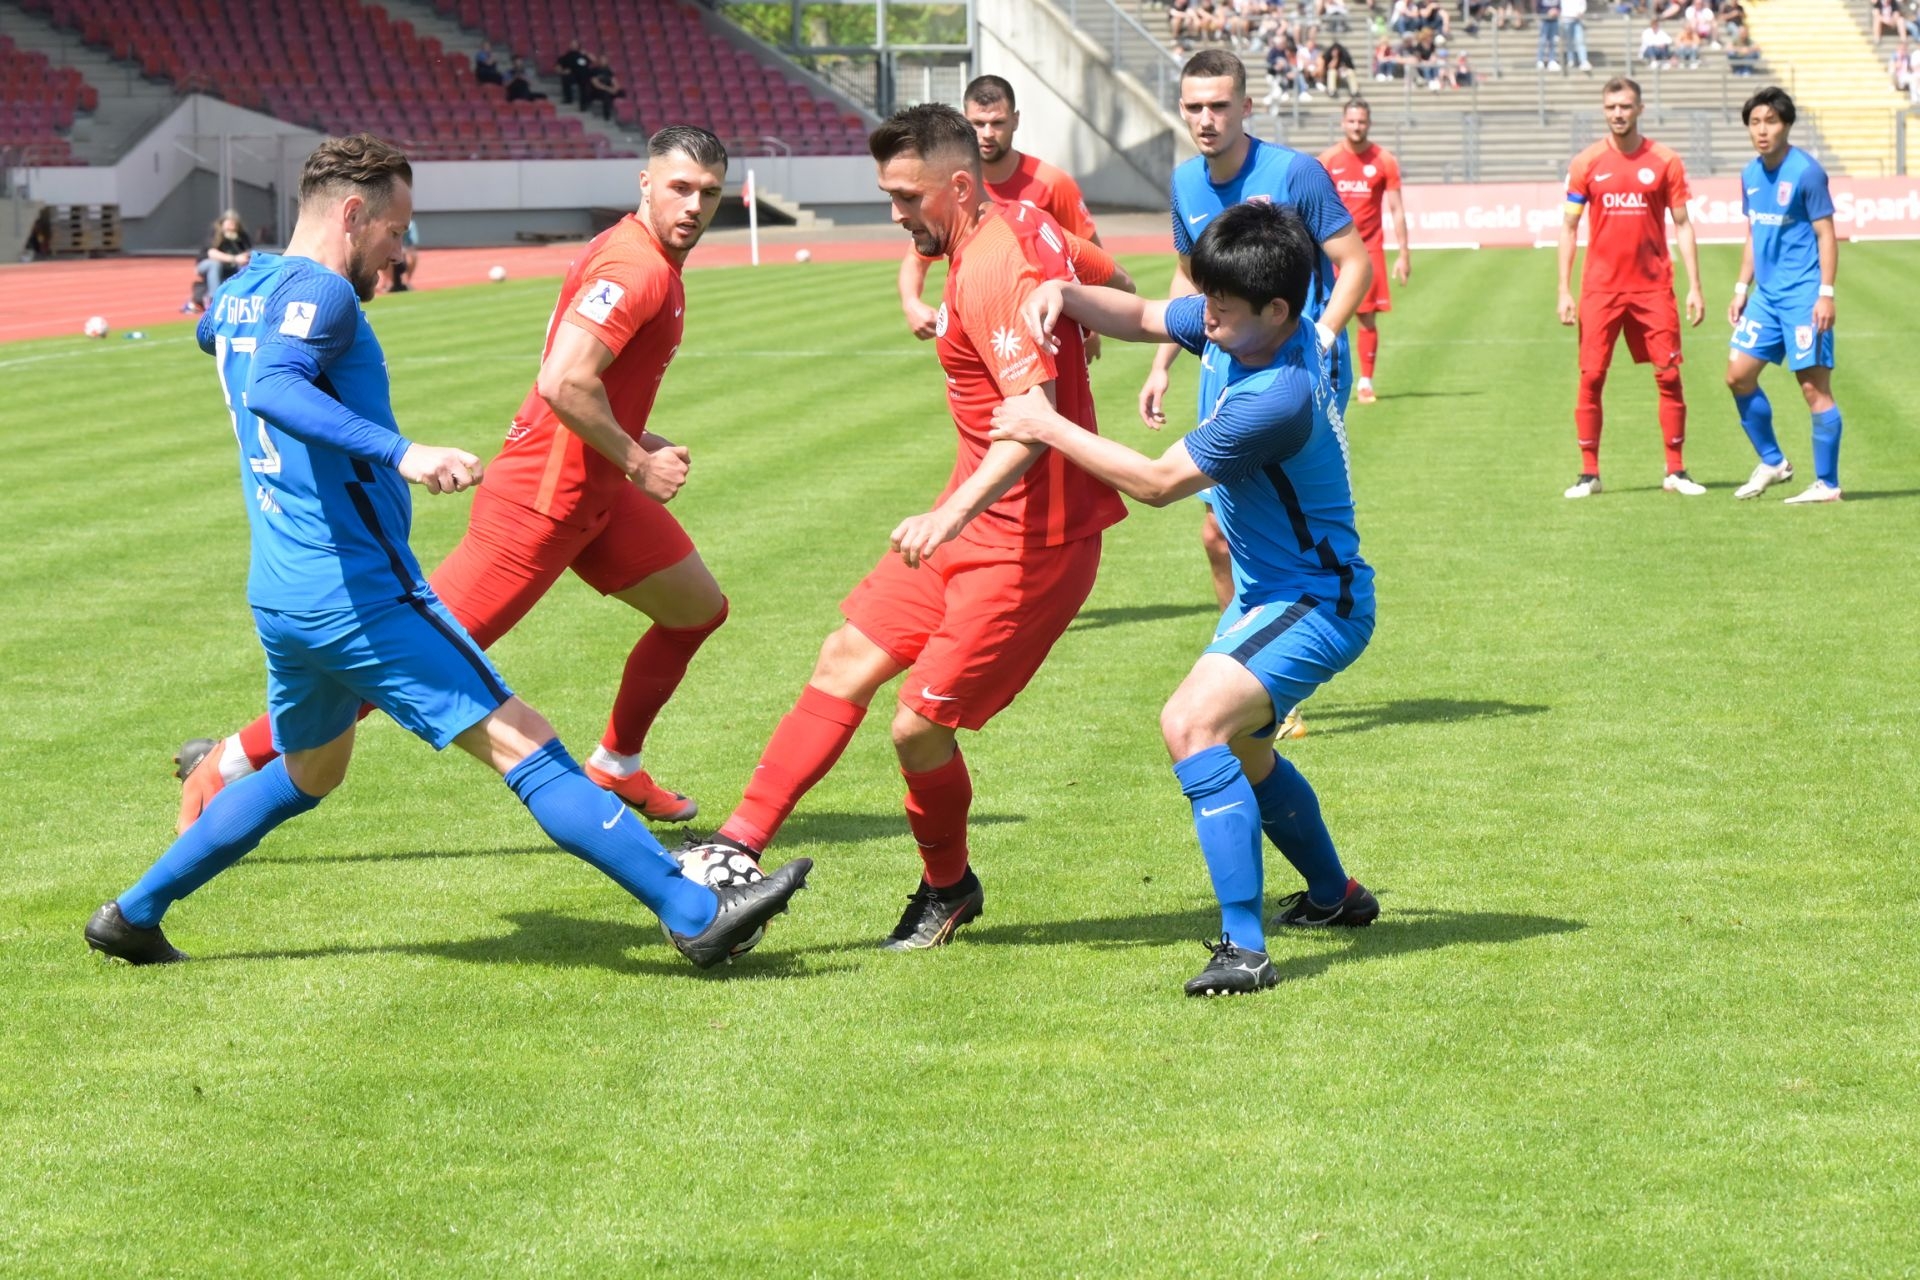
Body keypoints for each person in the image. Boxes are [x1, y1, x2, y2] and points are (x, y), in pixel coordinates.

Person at [87, 133, 809, 970]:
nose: (399, 253)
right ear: (352, 214)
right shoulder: (325, 292)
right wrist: (404, 453)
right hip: (358, 589)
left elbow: (215, 336)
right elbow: (275, 386)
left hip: (282, 589)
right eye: (395, 231)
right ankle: (695, 911)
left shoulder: (248, 288)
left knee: (310, 772)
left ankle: (132, 914)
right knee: (525, 745)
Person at [173, 128, 739, 838]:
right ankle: (230, 760)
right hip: (543, 503)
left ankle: (617, 765)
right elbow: (564, 381)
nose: (694, 205)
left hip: (594, 492)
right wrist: (638, 458)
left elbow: (579, 384)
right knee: (398, 663)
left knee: (696, 611)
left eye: (709, 193)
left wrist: (630, 442)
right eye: (680, 188)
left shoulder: (641, 255)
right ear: (646, 184)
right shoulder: (635, 268)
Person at [678, 103, 1132, 951]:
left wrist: (948, 513)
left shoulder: (993, 266)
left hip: (1033, 544)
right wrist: (1082, 323)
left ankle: (948, 887)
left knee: (917, 728)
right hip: (972, 518)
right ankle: (736, 847)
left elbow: (1032, 422)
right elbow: (1118, 282)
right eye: (887, 194)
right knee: (843, 658)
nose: (894, 213)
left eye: (906, 197)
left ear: (958, 186)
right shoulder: (1021, 223)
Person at [990, 202, 1379, 998]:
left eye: (1220, 308)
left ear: (1278, 311)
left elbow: (1158, 482)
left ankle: (1246, 950)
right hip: (1279, 594)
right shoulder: (1242, 323)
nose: (1204, 318)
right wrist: (1065, 293)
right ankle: (1336, 897)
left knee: (1191, 725)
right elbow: (1140, 315)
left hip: (1316, 601)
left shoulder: (1277, 393)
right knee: (1246, 751)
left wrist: (1046, 423)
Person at [1139, 50, 1371, 615]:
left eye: (1219, 106)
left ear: (1246, 107)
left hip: (1294, 369)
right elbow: (1188, 279)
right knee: (1219, 534)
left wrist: (1323, 335)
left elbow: (1356, 264)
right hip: (1223, 364)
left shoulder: (1297, 174)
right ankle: (1243, 646)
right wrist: (1161, 365)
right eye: (1195, 107)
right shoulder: (1184, 183)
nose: (1206, 119)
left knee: (1273, 528)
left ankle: (1294, 641)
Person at [1557, 77, 1706, 499]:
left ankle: (1675, 470)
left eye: (1625, 106)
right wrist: (1564, 290)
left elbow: (1683, 224)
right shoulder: (1586, 163)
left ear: (1640, 109)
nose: (1618, 113)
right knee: (1591, 377)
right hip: (1601, 290)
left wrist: (1695, 286)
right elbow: (1568, 227)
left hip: (1653, 288)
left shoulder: (1665, 161)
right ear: (1604, 110)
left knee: (1669, 375)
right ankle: (1589, 474)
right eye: (1611, 107)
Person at [897, 76, 1105, 358]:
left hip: (1049, 334)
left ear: (1015, 120)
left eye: (997, 123)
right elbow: (916, 258)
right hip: (976, 333)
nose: (987, 133)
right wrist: (911, 303)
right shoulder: (952, 187)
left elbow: (1094, 260)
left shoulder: (1052, 183)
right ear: (964, 121)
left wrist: (1093, 325)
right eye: (978, 123)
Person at [1726, 87, 1847, 503]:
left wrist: (1825, 294)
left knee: (1813, 388)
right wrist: (1741, 288)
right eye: (1755, 122)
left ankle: (1827, 484)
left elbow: (1826, 234)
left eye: (1771, 122)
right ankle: (1774, 462)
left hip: (1802, 297)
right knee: (1738, 376)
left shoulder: (1806, 172)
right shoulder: (1749, 174)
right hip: (1765, 298)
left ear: (1787, 125)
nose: (1762, 130)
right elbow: (1753, 233)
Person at [1319, 98, 1410, 406]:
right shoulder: (1328, 160)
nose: (1357, 126)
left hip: (1368, 251)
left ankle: (1366, 383)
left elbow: (1397, 210)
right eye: (1352, 121)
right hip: (1332, 251)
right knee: (1326, 317)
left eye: (1362, 121)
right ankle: (1324, 381)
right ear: (1343, 122)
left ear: (1369, 123)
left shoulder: (1384, 160)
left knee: (1367, 318)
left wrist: (1404, 254)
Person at [186, 210, 252, 313]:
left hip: (230, 268)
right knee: (215, 264)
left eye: (234, 224)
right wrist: (235, 259)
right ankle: (214, 299)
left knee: (246, 267)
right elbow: (212, 253)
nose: (231, 227)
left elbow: (247, 252)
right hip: (207, 265)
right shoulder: (216, 233)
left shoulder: (241, 236)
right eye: (229, 223)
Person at [554, 37, 592, 108]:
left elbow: (594, 60)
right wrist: (562, 71)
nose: (573, 46)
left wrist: (586, 54)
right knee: (565, 77)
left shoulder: (583, 54)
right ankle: (568, 98)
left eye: (575, 44)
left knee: (585, 80)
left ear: (578, 45)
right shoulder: (567, 56)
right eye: (572, 44)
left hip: (583, 75)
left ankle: (584, 104)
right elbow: (558, 66)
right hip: (573, 75)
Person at [587, 55, 627, 122]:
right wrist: (609, 89)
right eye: (602, 60)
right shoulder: (594, 71)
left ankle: (623, 113)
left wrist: (615, 89)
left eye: (605, 60)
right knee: (606, 94)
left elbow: (615, 81)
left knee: (622, 92)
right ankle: (607, 116)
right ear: (599, 61)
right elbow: (596, 84)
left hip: (609, 89)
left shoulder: (609, 71)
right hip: (597, 91)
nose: (603, 62)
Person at [1561, 0, 1594, 71]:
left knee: (1580, 40)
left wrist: (1581, 11)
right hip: (1566, 19)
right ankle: (1571, 59)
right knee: (1569, 41)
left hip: (1577, 20)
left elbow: (1583, 4)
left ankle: (1583, 60)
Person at [1537, 0, 1563, 69]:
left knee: (1553, 42)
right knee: (1543, 41)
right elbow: (1538, 8)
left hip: (1554, 20)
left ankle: (1552, 60)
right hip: (1545, 21)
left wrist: (1557, 11)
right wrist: (1547, 12)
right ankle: (1540, 60)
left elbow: (1559, 6)